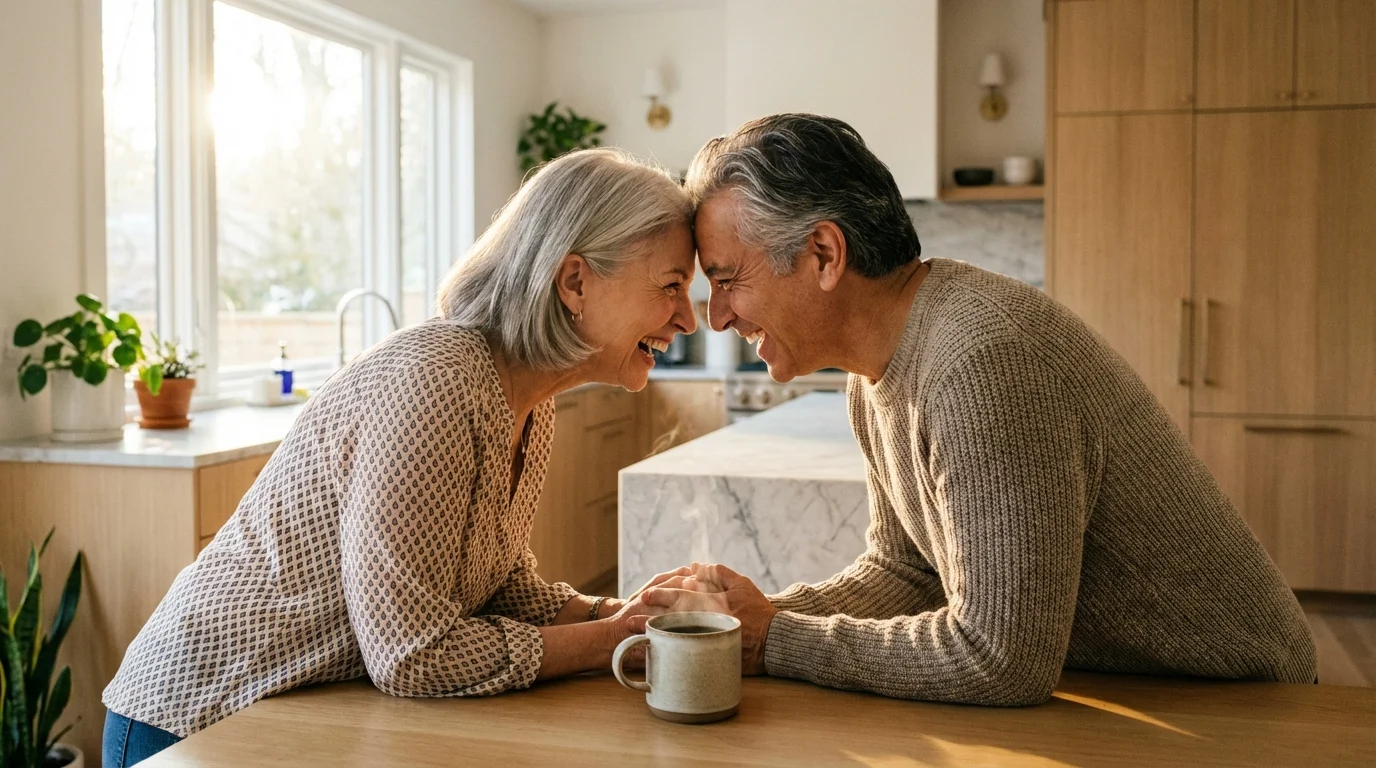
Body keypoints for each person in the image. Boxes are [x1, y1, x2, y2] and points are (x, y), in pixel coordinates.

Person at [640, 113, 1317, 706]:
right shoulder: (874, 371)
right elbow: (906, 572)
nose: (718, 316)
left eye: (728, 280)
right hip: (1132, 690)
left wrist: (776, 639)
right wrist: (752, 620)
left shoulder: (983, 360)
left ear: (823, 253)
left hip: (1241, 707)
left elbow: (1000, 659)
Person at [102, 148, 697, 766]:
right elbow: (413, 654)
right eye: (672, 285)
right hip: (194, 721)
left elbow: (493, 583)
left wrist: (620, 613)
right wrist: (610, 642)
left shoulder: (526, 401)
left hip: (296, 714)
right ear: (575, 280)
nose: (687, 318)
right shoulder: (436, 377)